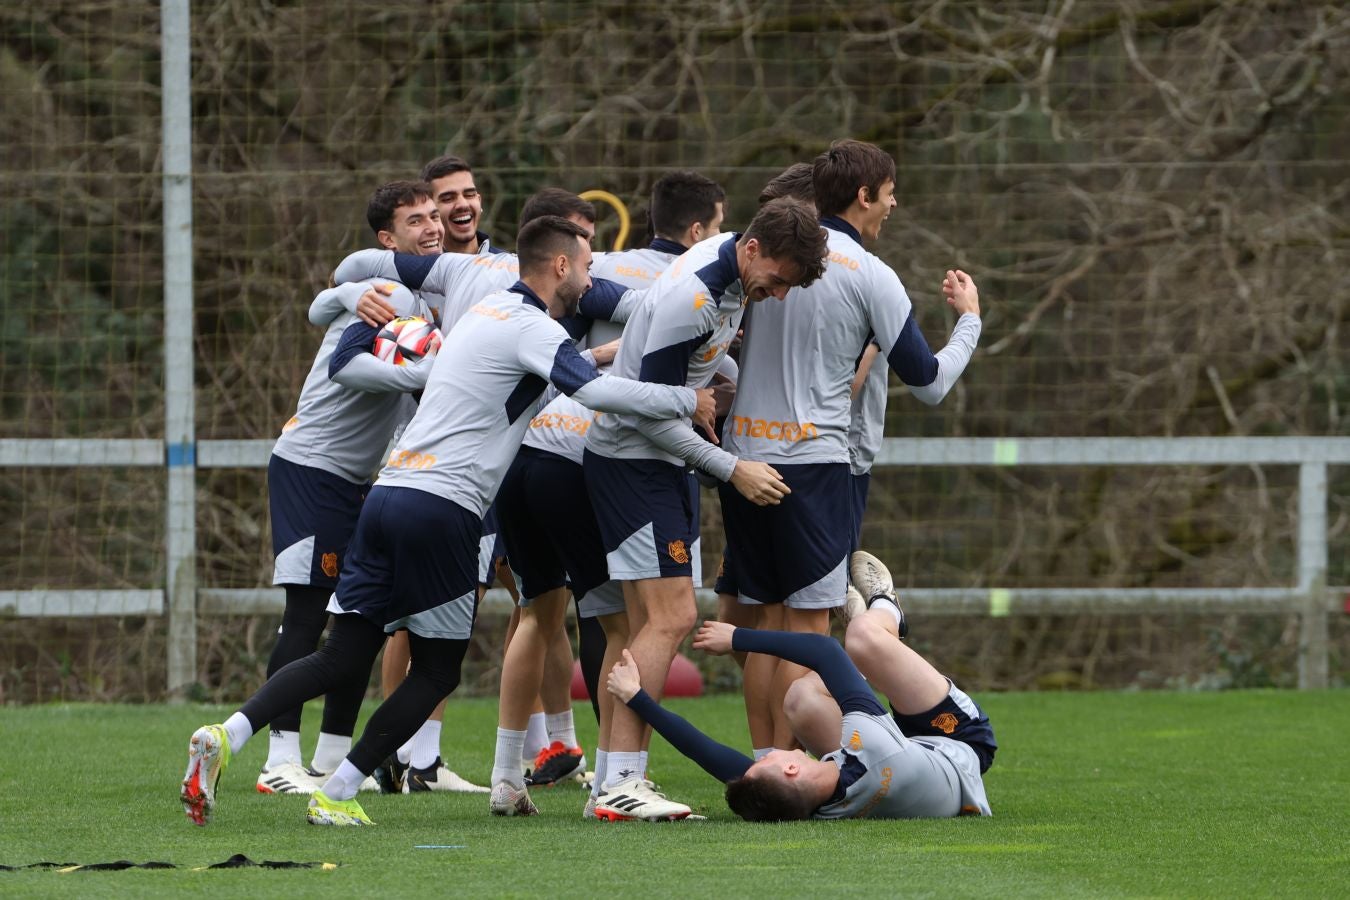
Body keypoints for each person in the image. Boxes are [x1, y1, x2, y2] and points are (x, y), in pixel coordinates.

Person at [180, 216, 716, 828]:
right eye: (589, 267)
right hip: (444, 508)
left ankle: (226, 734)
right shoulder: (532, 325)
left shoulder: (482, 319)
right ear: (561, 266)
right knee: (437, 669)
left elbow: (533, 388)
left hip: (387, 495)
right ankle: (338, 790)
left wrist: (600, 354)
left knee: (342, 655)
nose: (592, 279)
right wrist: (684, 399)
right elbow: (587, 392)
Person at [718, 140, 983, 752]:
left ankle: (766, 763)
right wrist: (968, 320)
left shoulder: (760, 252)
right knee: (806, 630)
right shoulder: (872, 275)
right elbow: (931, 383)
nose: (894, 203)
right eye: (889, 192)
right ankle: (793, 770)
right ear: (863, 196)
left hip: (743, 460)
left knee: (764, 624)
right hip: (813, 470)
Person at [582, 196, 829, 821]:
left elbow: (677, 390)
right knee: (671, 617)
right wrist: (730, 468)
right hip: (634, 463)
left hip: (657, 465)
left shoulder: (730, 272)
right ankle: (620, 783)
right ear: (751, 249)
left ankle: (612, 781)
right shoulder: (692, 295)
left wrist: (711, 382)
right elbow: (645, 408)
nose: (774, 296)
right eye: (774, 282)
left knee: (646, 621)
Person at [491, 171, 730, 815]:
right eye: (587, 251)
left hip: (524, 458)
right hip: (580, 460)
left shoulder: (570, 279)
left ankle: (507, 776)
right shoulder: (679, 286)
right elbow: (607, 388)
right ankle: (616, 779)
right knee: (633, 621)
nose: (593, 266)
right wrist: (696, 406)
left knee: (539, 614)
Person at [258, 181, 442, 796]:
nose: (433, 226)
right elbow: (345, 358)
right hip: (311, 469)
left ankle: (332, 760)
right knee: (307, 613)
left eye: (434, 215)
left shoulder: (427, 294)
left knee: (353, 619)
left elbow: (324, 299)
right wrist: (424, 370)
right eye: (417, 220)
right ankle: (278, 761)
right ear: (388, 240)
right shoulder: (387, 290)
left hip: (359, 481)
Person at [604, 550, 996, 821]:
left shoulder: (809, 804)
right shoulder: (872, 747)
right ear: (792, 767)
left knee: (803, 698)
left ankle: (860, 682)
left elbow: (710, 756)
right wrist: (737, 637)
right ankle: (886, 610)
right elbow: (825, 650)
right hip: (957, 740)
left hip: (905, 754)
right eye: (768, 761)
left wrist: (637, 697)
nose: (764, 757)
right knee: (858, 640)